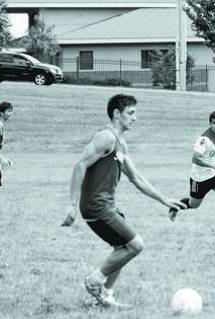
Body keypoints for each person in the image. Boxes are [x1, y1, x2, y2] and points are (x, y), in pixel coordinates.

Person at [61, 94, 186, 307]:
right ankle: (95, 281)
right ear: (117, 114)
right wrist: (72, 205)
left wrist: (165, 200)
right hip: (96, 206)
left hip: (107, 205)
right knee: (136, 244)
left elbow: (136, 178)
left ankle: (107, 295)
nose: (135, 118)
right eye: (131, 113)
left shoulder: (121, 144)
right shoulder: (106, 137)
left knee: (122, 247)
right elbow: (79, 166)